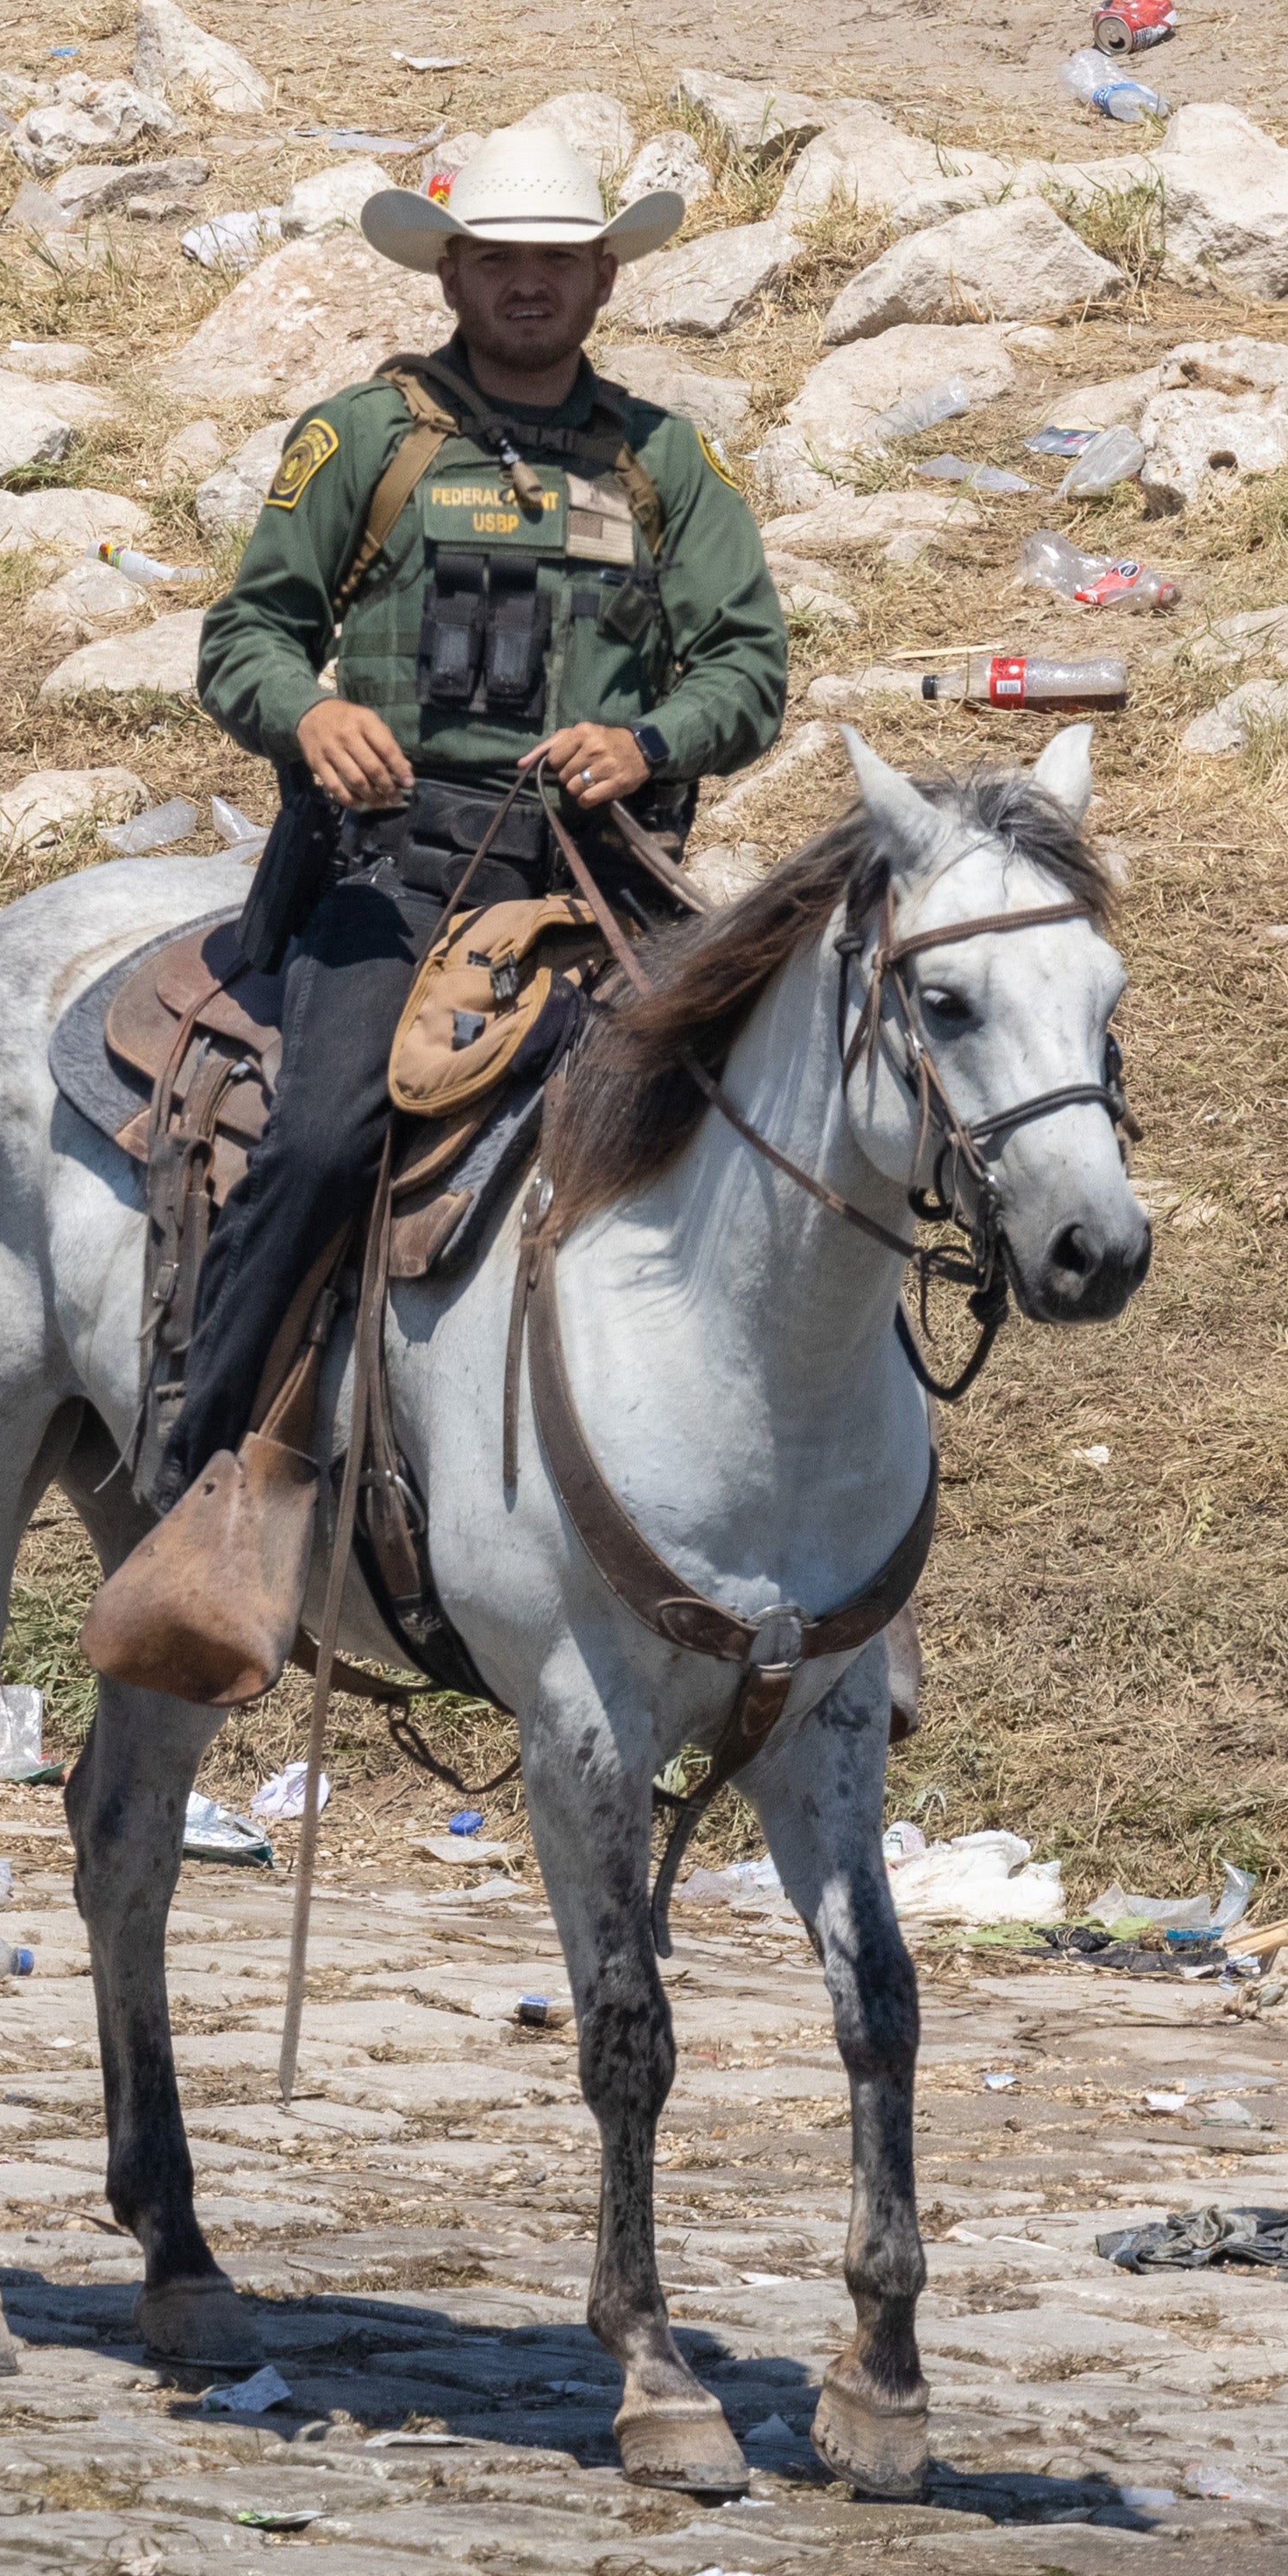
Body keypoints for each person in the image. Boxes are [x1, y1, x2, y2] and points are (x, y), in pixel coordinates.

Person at [104, 122, 790, 1630]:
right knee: (322, 1138)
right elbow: (247, 635)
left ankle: (811, 1527)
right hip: (393, 872)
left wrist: (652, 734)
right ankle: (202, 1478)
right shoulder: (362, 437)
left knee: (786, 1126)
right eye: (501, 260)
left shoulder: (667, 459)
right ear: (454, 270)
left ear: (605, 275)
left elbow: (751, 663)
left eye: (559, 260)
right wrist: (314, 712)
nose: (530, 284)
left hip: (607, 877)